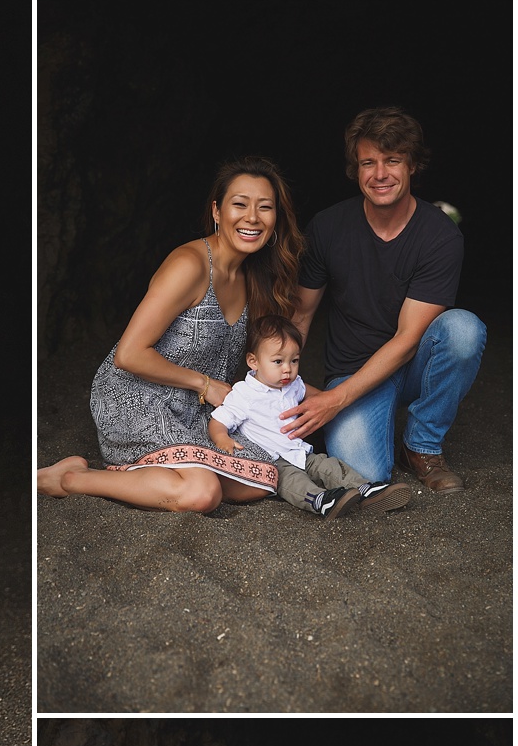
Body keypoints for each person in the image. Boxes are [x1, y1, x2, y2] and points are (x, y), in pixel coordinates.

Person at [38, 158, 304, 513]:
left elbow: (269, 366)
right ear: (217, 211)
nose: (252, 217)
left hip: (193, 409)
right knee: (202, 494)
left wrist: (329, 400)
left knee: (263, 476)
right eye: (240, 204)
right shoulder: (190, 265)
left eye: (265, 207)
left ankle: (152, 475)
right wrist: (205, 385)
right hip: (135, 396)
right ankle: (71, 478)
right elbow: (129, 354)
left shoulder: (252, 277)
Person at [284, 107, 485, 492]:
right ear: (355, 169)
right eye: (368, 162)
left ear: (412, 166)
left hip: (411, 365)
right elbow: (301, 314)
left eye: (392, 161)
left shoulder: (440, 235)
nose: (379, 174)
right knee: (367, 476)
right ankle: (365, 420)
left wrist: (334, 401)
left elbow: (409, 338)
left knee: (463, 330)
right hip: (351, 367)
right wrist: (283, 382)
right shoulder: (327, 227)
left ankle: (421, 444)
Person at [208, 315, 413, 518]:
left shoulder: (292, 383)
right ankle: (321, 500)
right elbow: (219, 420)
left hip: (301, 451)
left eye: (294, 360)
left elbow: (312, 394)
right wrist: (222, 439)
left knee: (329, 466)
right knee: (293, 481)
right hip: (273, 460)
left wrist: (331, 403)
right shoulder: (244, 393)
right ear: (253, 361)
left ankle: (365, 489)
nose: (287, 369)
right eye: (278, 361)